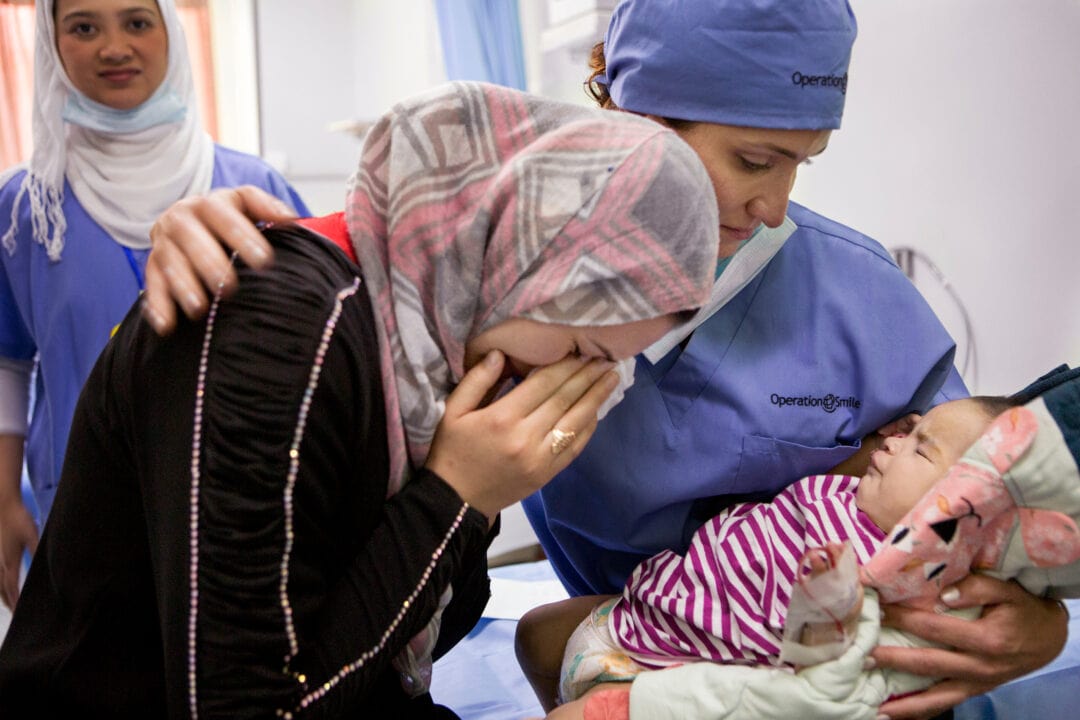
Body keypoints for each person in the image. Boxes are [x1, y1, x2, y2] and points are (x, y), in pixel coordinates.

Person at [133, 1, 1069, 716]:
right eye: (752, 159)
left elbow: (1007, 480)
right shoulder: (503, 289)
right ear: (627, 120)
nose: (776, 205)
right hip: (621, 637)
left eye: (802, 163)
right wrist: (235, 251)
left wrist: (1045, 622)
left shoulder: (861, 304)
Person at [0, 81, 721, 718]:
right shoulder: (279, 336)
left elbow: (417, 638)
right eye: (580, 354)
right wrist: (457, 498)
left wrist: (474, 496)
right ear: (513, 261)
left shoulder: (429, 356)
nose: (580, 390)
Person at [0, 0, 308, 610]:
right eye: (84, 27)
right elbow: (8, 360)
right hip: (83, 506)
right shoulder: (26, 208)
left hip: (244, 501)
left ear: (172, 33)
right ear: (53, 44)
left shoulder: (255, 191)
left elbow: (318, 349)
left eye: (137, 22)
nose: (114, 47)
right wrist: (4, 496)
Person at [516, 395, 1015, 717]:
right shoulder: (855, 491)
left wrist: (826, 600)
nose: (896, 442)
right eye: (910, 429)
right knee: (535, 634)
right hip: (640, 616)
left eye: (920, 450)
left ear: (962, 517)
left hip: (672, 674)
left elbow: (823, 673)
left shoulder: (901, 576)